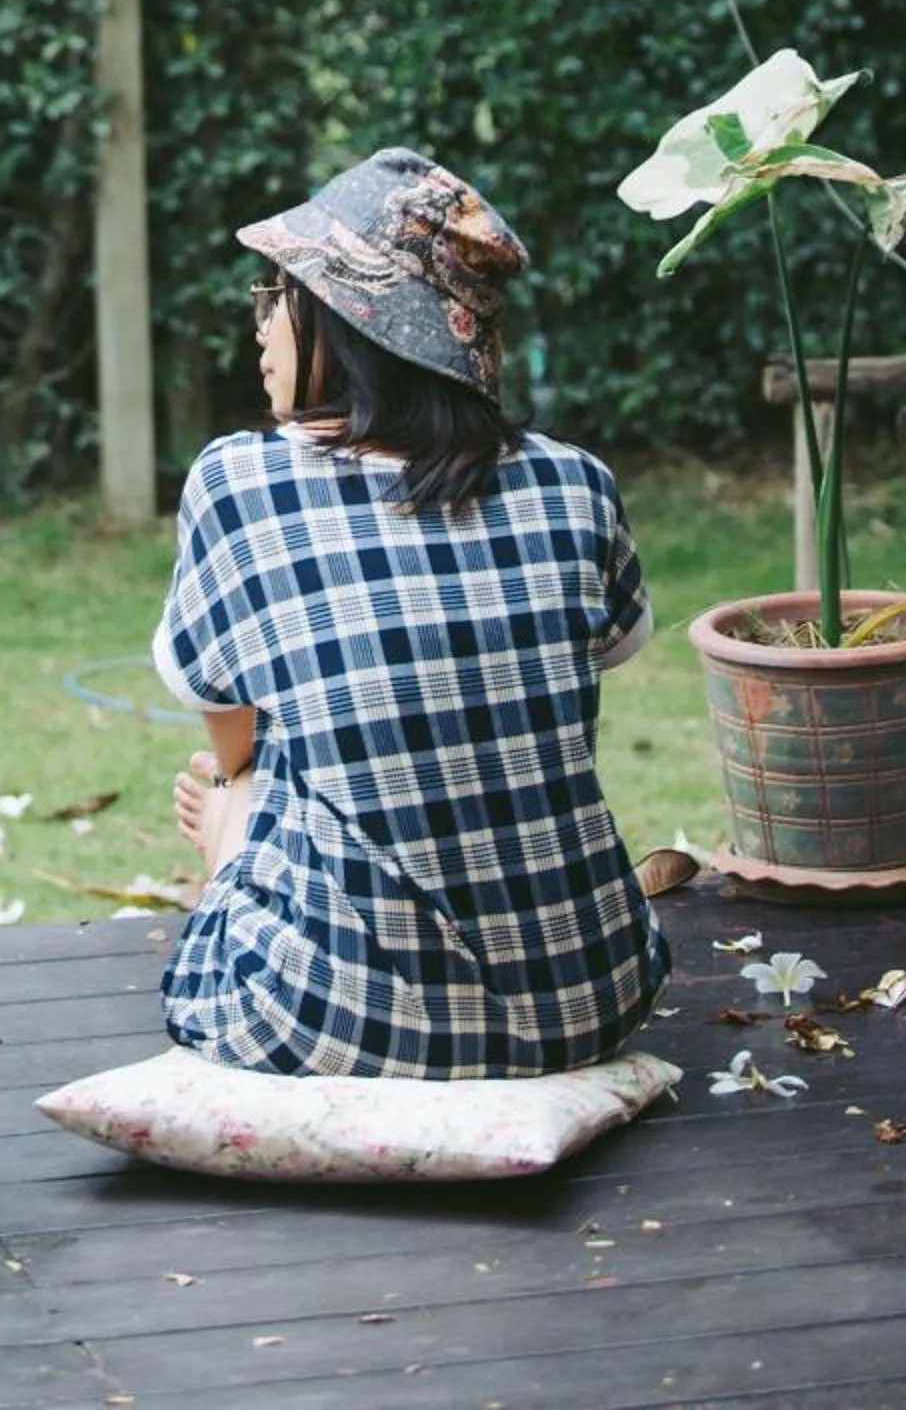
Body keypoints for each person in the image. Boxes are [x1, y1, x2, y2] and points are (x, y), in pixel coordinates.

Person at [154, 147, 677, 1079]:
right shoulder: (576, 483)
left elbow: (233, 743)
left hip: (337, 1023)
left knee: (242, 785)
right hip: (590, 999)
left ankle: (235, 861)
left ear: (347, 322)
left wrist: (236, 820)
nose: (262, 324)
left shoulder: (242, 484)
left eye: (278, 295)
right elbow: (587, 660)